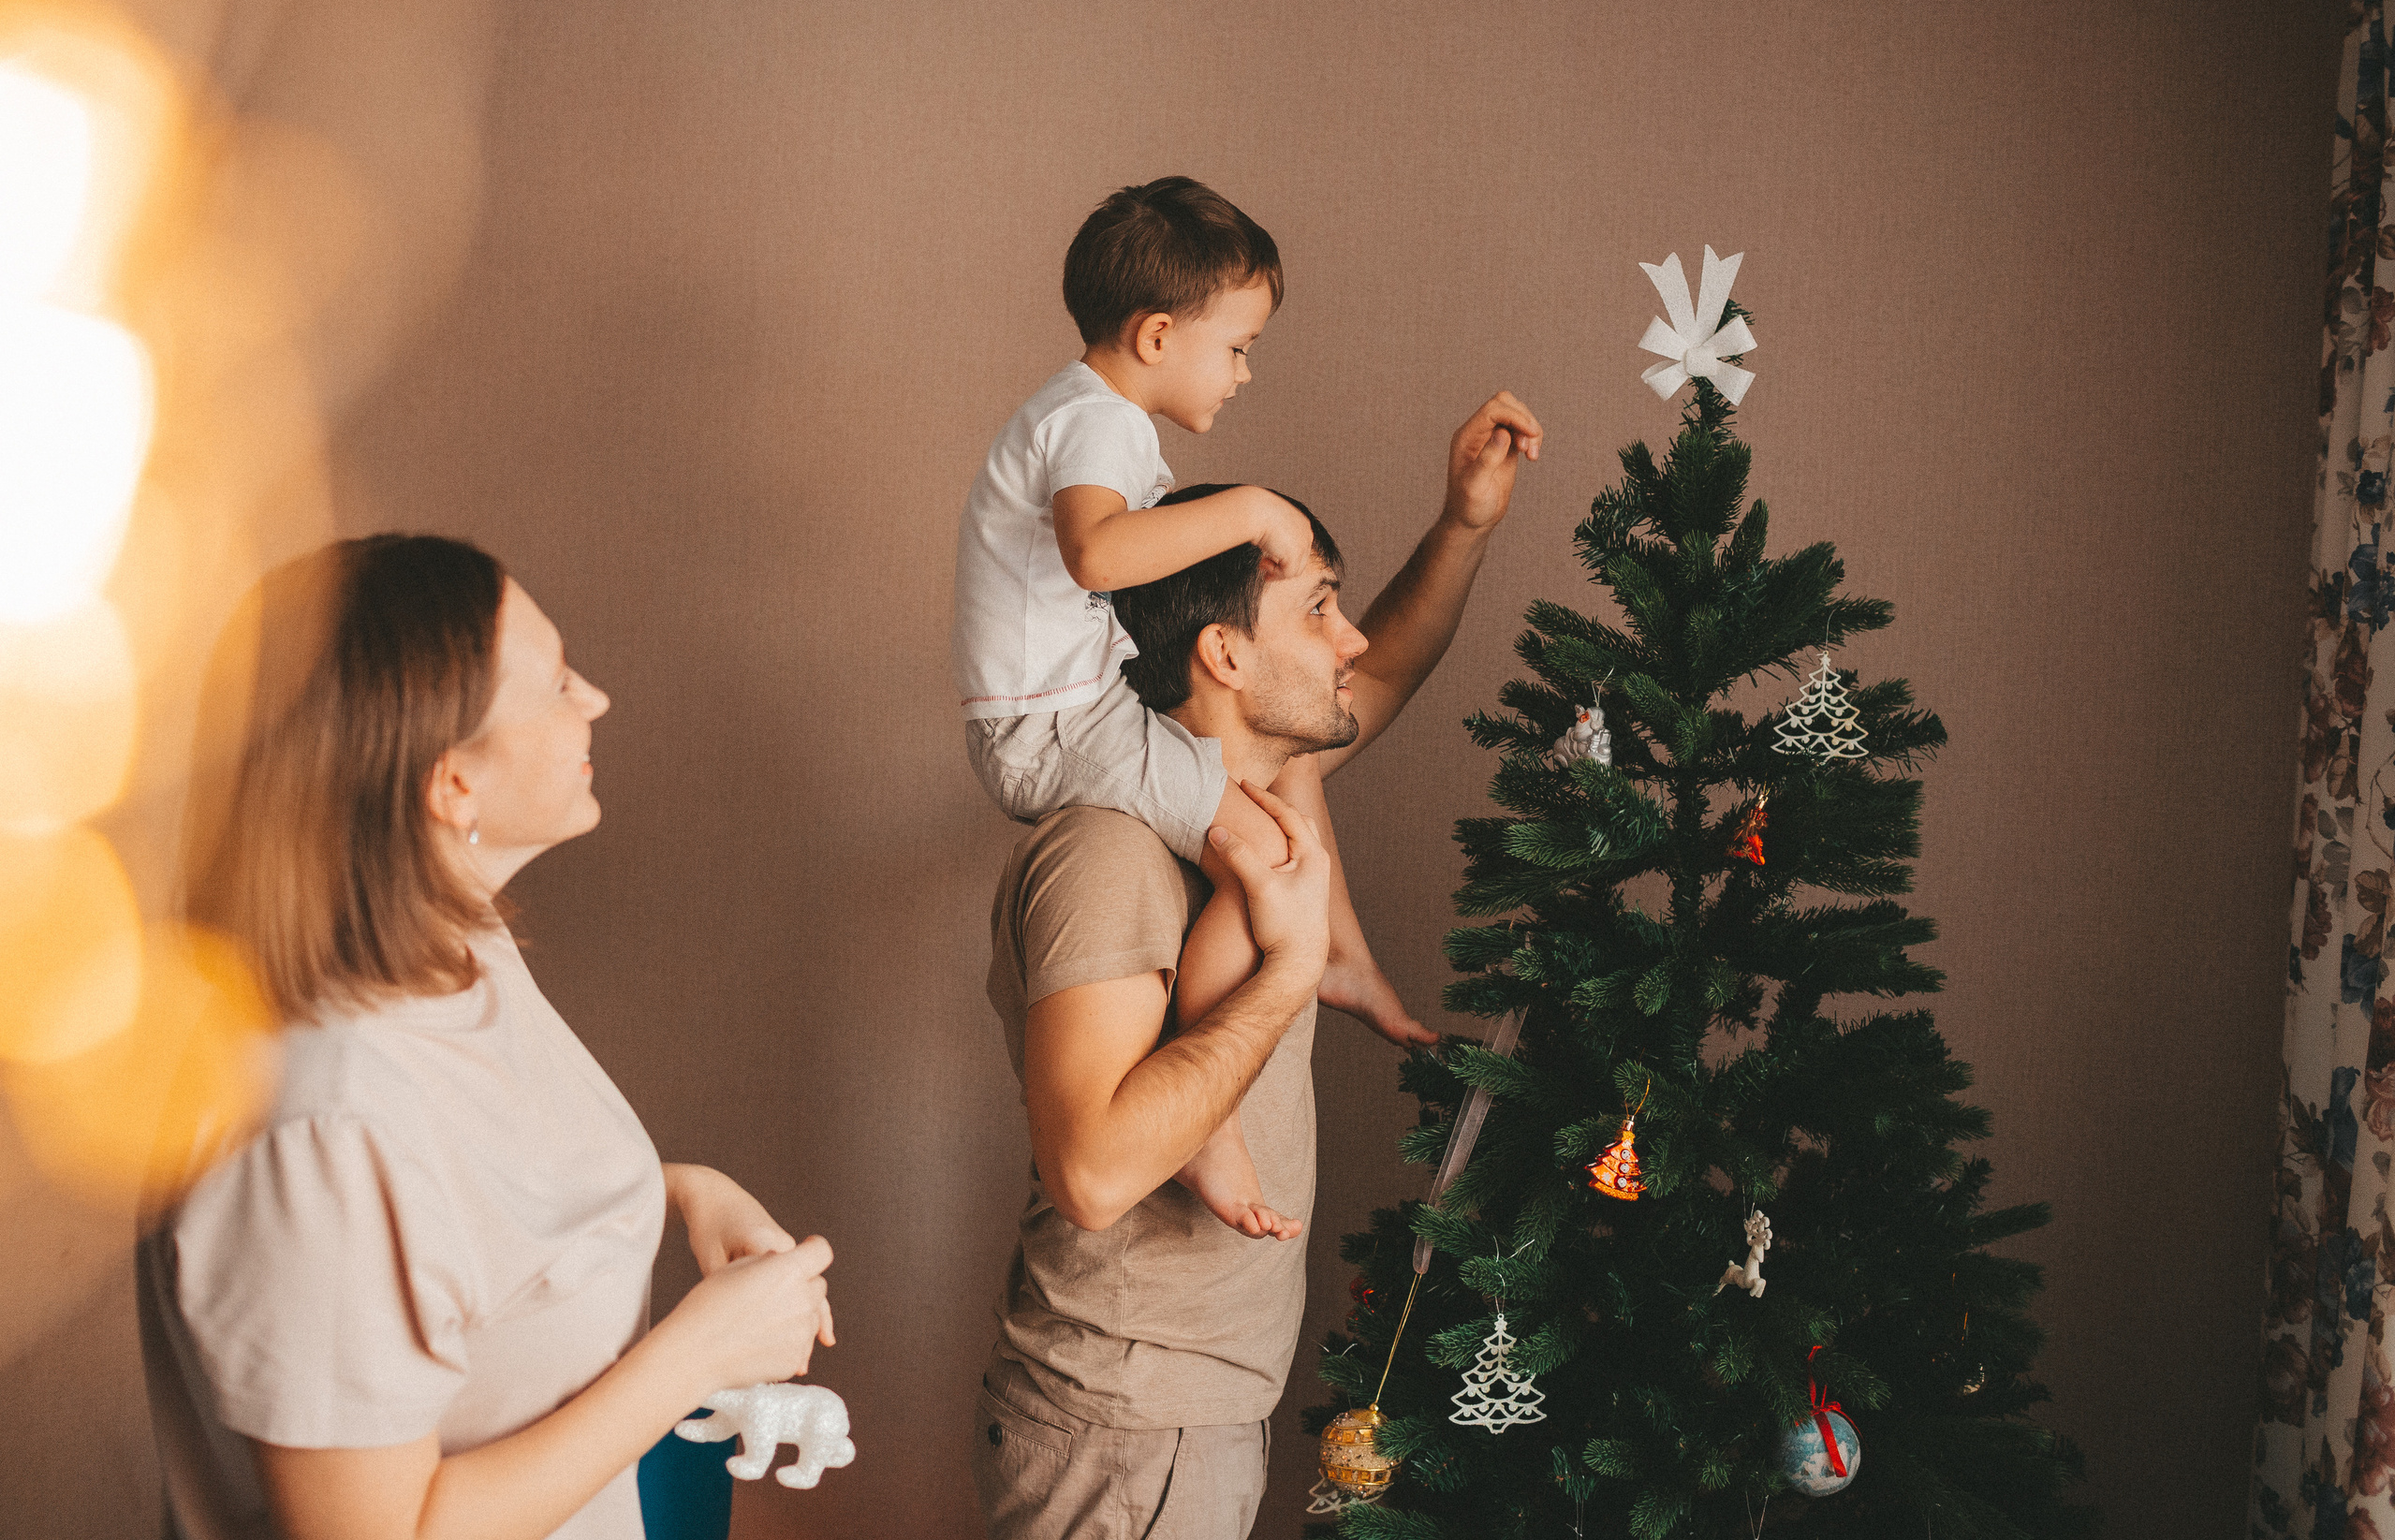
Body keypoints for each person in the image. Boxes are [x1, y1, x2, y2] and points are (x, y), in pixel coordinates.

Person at [140, 535, 836, 1540]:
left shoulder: (458, 943)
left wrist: (682, 1190)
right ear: (452, 783)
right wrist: (698, 1354)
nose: (594, 697)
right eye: (557, 682)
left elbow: (464, 1214)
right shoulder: (317, 1129)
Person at [972, 392, 1543, 1540]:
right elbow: (1091, 1174)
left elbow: (1387, 668)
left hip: (1181, 1416)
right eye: (1319, 607)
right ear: (1223, 652)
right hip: (1128, 1427)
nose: (1351, 640)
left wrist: (1463, 525)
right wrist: (1292, 970)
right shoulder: (1108, 853)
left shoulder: (1260, 800)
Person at [954, 175, 1536, 1240]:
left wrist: (1464, 523)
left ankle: (1340, 953)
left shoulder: (1251, 742)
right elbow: (1097, 552)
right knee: (1268, 853)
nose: (1245, 370)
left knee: (1279, 807)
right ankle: (1215, 1126)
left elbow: (1372, 679)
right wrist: (1253, 508)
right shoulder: (1096, 425)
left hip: (1065, 713)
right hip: (1057, 723)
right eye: (1237, 346)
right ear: (1157, 334)